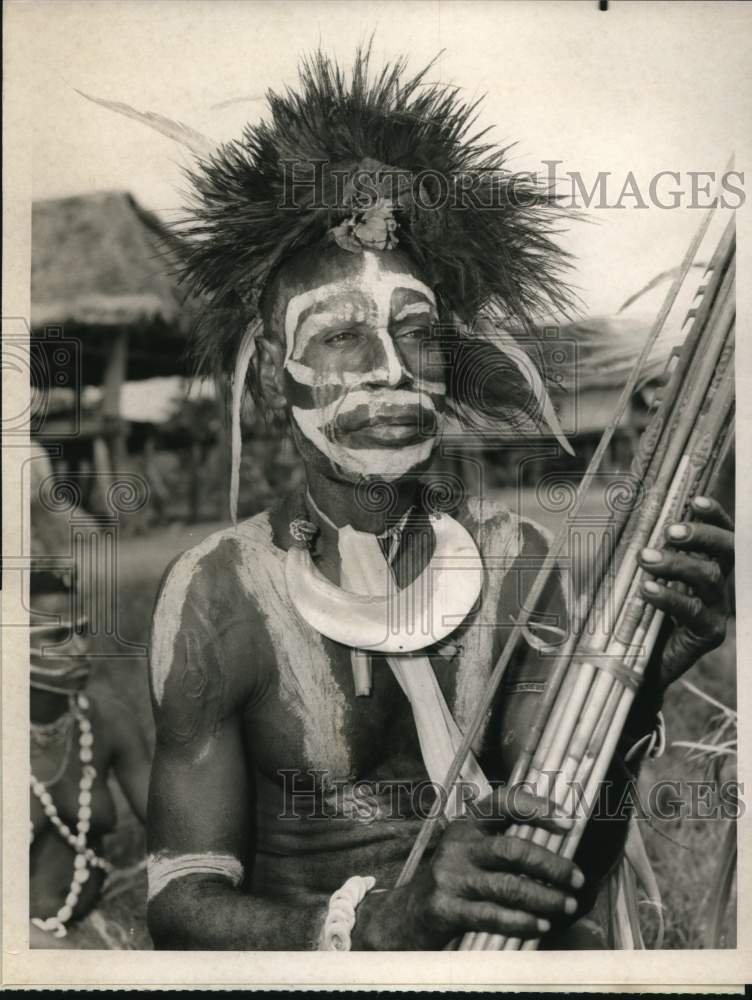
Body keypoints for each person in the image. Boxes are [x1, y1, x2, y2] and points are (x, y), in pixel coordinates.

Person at [106, 50, 733, 950]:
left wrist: (641, 674)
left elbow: (562, 855)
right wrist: (377, 926)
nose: (392, 370)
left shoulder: (515, 555)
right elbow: (182, 902)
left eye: (415, 333)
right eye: (341, 337)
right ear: (270, 381)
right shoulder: (217, 593)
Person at [29, 567, 151, 948]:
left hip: (93, 924)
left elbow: (174, 825)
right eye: (59, 636)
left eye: (82, 631)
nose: (81, 648)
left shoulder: (107, 721)